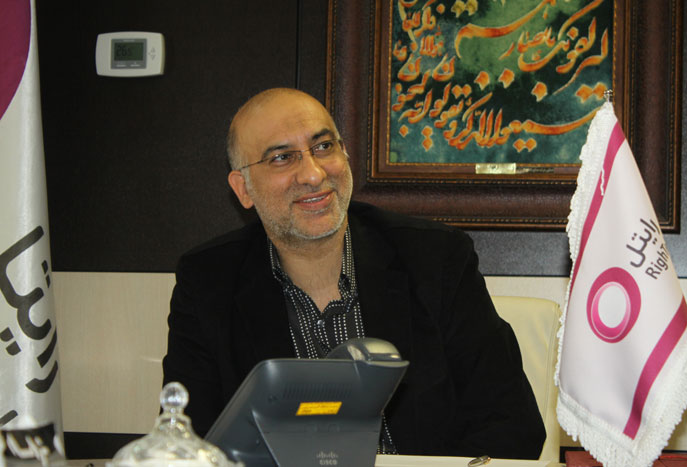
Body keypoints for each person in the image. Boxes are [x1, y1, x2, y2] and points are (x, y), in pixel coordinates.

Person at [162, 88, 545, 459]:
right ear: (243, 188)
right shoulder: (208, 281)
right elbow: (187, 442)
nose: (313, 174)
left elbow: (511, 425)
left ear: (345, 154)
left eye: (323, 147)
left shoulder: (436, 258)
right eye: (282, 157)